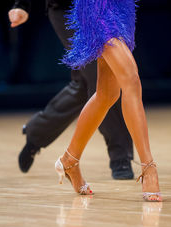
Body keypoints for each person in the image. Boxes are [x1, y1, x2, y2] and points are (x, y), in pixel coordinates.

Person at [9, 0, 134, 180]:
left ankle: (36, 132)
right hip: (68, 9)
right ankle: (120, 157)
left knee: (83, 87)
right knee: (102, 81)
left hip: (103, 9)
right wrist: (23, 4)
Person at [54, 0, 162, 202]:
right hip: (96, 6)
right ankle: (148, 168)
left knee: (108, 93)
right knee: (131, 79)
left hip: (122, 7)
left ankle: (69, 159)